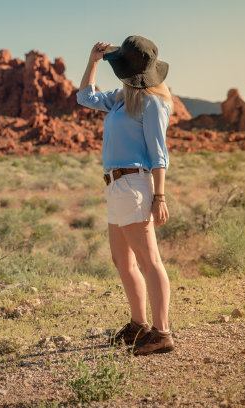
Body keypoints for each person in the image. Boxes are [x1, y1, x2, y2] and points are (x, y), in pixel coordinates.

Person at [76, 35, 174, 355]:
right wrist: (92, 61)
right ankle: (139, 325)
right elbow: (85, 97)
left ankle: (162, 334)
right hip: (116, 186)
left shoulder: (153, 103)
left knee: (149, 261)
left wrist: (159, 197)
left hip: (135, 184)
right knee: (122, 260)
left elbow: (159, 155)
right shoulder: (121, 97)